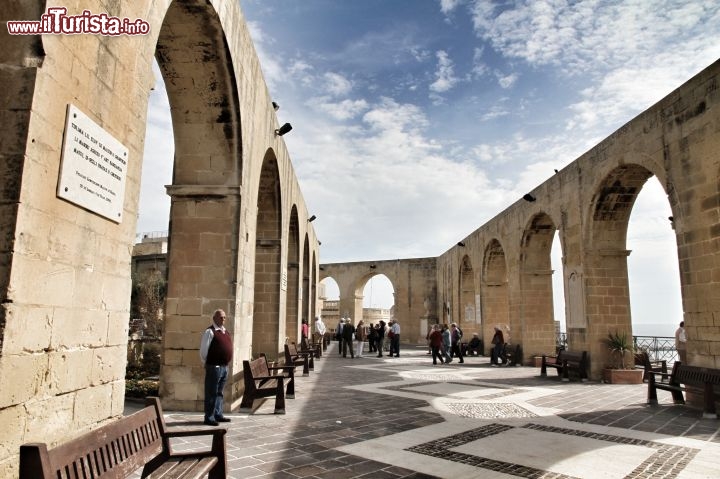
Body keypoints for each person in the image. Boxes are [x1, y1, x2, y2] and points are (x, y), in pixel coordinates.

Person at [199, 309, 233, 426]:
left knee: (219, 393)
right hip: (214, 367)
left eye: (224, 317)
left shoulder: (225, 332)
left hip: (224, 367)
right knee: (211, 393)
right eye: (220, 317)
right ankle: (209, 417)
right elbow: (204, 351)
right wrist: (208, 364)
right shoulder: (210, 331)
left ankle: (218, 414)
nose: (223, 319)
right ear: (214, 318)